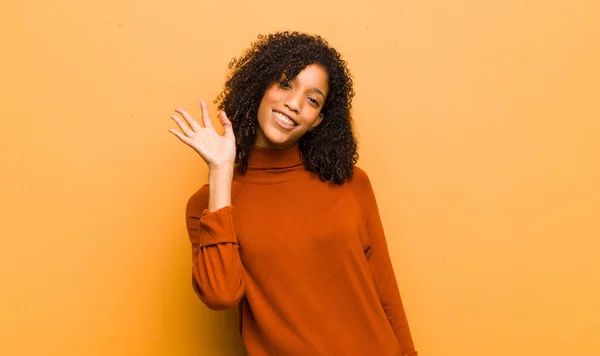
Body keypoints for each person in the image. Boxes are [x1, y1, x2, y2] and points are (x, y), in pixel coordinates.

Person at [169, 31, 417, 356]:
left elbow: (385, 291)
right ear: (260, 87)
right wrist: (220, 171)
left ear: (318, 120)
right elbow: (220, 295)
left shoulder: (350, 182)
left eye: (312, 100)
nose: (295, 103)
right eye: (285, 84)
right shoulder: (208, 204)